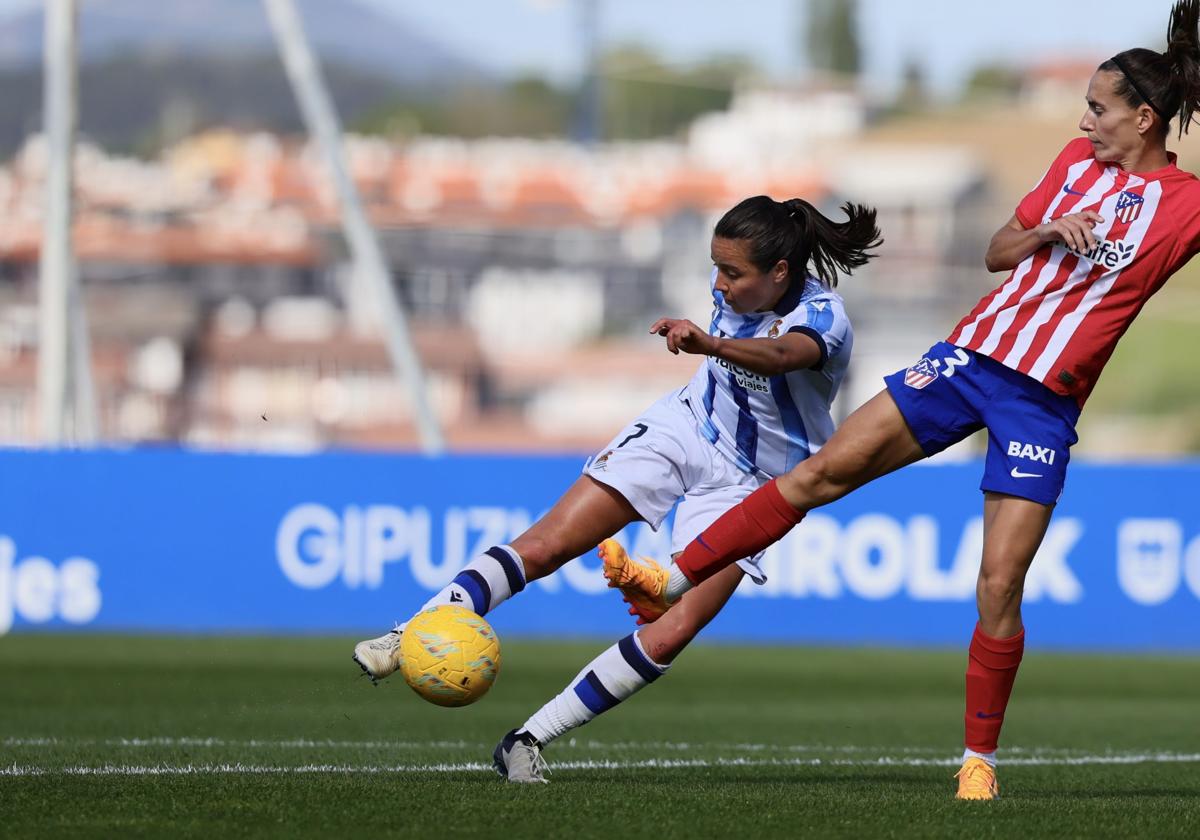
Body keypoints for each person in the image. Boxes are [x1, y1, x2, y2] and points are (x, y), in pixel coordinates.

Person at [606, 0, 1200, 802]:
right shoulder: (1071, 164)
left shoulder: (1186, 205)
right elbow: (997, 252)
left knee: (998, 585)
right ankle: (670, 579)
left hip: (1043, 405)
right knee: (823, 473)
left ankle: (978, 763)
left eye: (1098, 108)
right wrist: (1051, 230)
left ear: (1145, 117)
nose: (1084, 119)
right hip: (968, 359)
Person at [352, 194, 882, 782]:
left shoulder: (824, 317)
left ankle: (526, 740)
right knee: (549, 543)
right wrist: (709, 342)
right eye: (716, 267)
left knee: (673, 626)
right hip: (687, 428)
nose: (720, 284)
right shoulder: (732, 290)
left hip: (757, 484)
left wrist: (708, 345)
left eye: (733, 272)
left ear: (780, 273)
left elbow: (783, 356)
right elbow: (740, 333)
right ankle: (410, 634)